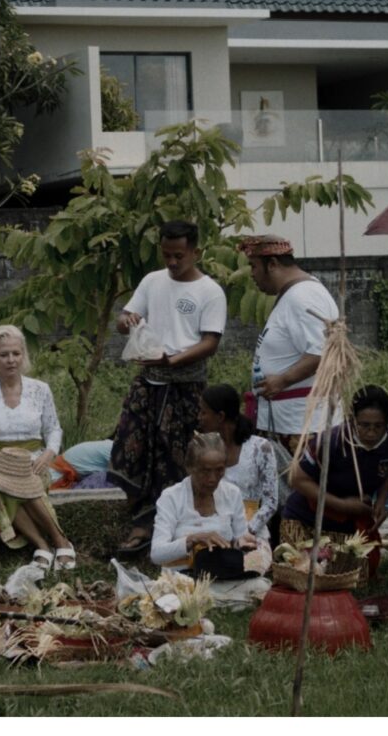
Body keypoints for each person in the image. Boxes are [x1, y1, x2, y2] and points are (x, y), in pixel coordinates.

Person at [109, 220, 227, 556]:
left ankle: (172, 530)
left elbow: (210, 342)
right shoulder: (152, 281)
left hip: (186, 387)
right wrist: (125, 320)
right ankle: (142, 522)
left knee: (174, 458)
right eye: (166, 256)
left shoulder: (210, 291)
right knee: (132, 448)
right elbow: (125, 317)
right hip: (147, 382)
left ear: (195, 252)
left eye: (179, 256)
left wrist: (173, 360)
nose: (172, 263)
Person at [0, 324, 76, 570]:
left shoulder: (40, 389)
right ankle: (45, 545)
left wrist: (48, 452)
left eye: (16, 353)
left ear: (23, 355)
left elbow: (53, 428)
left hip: (32, 461)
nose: (11, 360)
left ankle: (58, 541)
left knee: (24, 481)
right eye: (4, 355)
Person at [280, 385, 388, 586]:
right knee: (315, 576)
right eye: (364, 425)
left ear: (387, 423)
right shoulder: (331, 442)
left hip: (350, 522)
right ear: (351, 419)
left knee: (356, 580)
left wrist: (381, 500)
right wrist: (342, 505)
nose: (371, 433)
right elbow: (297, 479)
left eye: (378, 426)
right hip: (308, 519)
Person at [237, 234, 339, 453]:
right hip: (289, 421)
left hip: (299, 425)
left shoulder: (302, 296)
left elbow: (321, 352)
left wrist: (282, 381)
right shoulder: (296, 293)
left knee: (296, 485)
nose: (252, 274)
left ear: (272, 264)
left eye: (254, 266)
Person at [150, 432, 267, 582]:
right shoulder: (171, 497)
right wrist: (193, 539)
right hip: (182, 581)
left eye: (219, 470)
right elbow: (156, 554)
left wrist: (243, 544)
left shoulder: (232, 493)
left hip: (224, 578)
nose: (212, 479)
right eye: (205, 471)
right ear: (190, 468)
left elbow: (240, 538)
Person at [196, 383, 281, 543]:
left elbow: (271, 503)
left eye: (203, 412)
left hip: (251, 531)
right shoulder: (206, 449)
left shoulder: (260, 448)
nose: (199, 417)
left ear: (220, 416)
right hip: (214, 529)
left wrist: (244, 531)